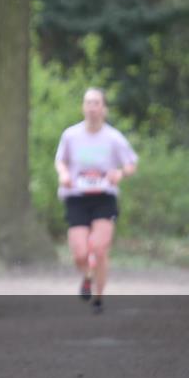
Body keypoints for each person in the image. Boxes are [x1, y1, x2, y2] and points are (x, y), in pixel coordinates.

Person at [54, 88, 138, 314]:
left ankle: (99, 297)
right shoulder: (71, 135)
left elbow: (131, 164)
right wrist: (63, 175)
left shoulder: (113, 137)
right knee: (80, 252)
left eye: (96, 103)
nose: (92, 107)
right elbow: (60, 161)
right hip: (77, 197)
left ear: (104, 108)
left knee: (99, 249)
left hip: (104, 197)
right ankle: (87, 276)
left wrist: (120, 174)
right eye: (88, 102)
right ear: (83, 107)